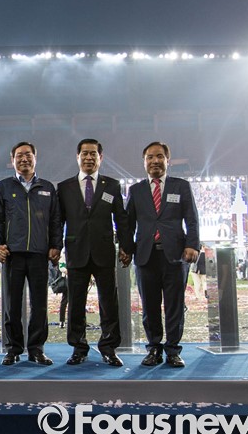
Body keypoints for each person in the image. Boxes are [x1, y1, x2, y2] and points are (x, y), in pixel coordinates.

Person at [56, 139, 133, 367]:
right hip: (76, 252)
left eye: (93, 154)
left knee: (109, 303)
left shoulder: (112, 186)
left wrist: (126, 247)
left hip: (104, 252)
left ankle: (108, 348)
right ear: (77, 157)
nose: (89, 158)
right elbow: (58, 222)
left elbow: (121, 219)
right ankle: (78, 348)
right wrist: (55, 247)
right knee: (76, 303)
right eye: (85, 153)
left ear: (101, 157)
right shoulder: (65, 187)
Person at [126, 141, 199, 368]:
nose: (155, 161)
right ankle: (154, 349)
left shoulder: (181, 186)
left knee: (174, 306)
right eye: (150, 157)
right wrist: (126, 249)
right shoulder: (136, 190)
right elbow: (128, 225)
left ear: (168, 160)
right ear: (144, 162)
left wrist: (192, 245)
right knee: (149, 307)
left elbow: (192, 219)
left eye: (159, 156)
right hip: (146, 256)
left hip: (175, 256)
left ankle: (173, 350)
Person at [0, 141, 62, 366]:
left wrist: (56, 245)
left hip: (39, 254)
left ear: (35, 158)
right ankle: (13, 349)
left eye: (28, 155)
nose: (24, 159)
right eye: (19, 156)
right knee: (12, 305)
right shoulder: (4, 187)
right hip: (13, 254)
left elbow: (56, 220)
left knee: (40, 305)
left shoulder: (47, 188)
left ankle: (36, 349)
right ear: (12, 160)